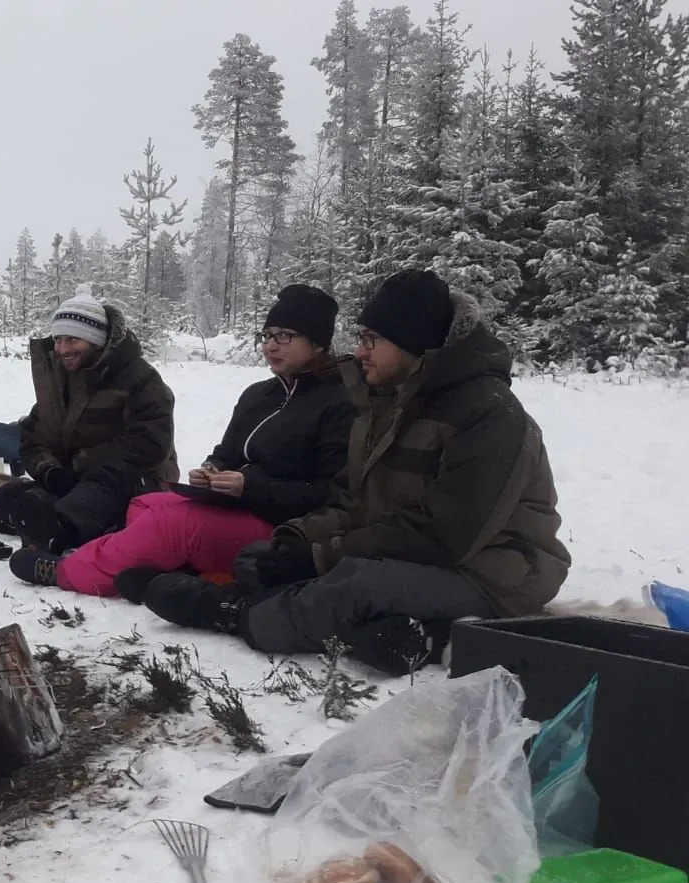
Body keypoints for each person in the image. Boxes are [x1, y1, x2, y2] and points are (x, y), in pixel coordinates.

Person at [137, 271, 569, 676]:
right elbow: (352, 501)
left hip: (495, 573)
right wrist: (294, 541)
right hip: (419, 558)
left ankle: (232, 613)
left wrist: (320, 557)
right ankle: (415, 637)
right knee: (284, 560)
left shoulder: (489, 414)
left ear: (415, 344)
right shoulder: (384, 405)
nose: (359, 351)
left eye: (372, 339)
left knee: (358, 584)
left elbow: (444, 537)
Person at [12, 285, 356, 595]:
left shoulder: (340, 403)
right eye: (266, 335)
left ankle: (68, 571)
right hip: (239, 506)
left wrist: (249, 487)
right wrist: (212, 470)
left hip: (288, 529)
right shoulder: (260, 395)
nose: (269, 346)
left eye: (284, 336)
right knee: (144, 507)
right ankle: (153, 567)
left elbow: (330, 494)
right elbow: (227, 453)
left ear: (318, 343)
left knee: (171, 523)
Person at [0, 285, 178, 554]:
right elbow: (33, 437)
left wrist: (79, 466)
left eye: (73, 340)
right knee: (6, 497)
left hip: (134, 482)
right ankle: (50, 518)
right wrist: (50, 472)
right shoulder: (60, 383)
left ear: (95, 340)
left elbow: (149, 445)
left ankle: (61, 530)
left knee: (101, 486)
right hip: (76, 482)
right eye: (58, 340)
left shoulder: (140, 379)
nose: (62, 349)